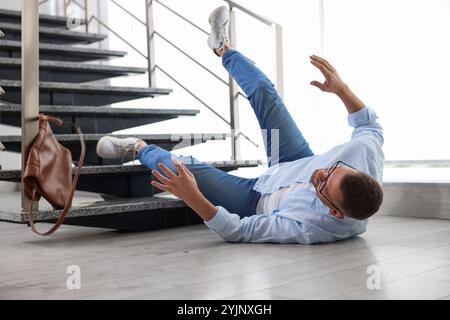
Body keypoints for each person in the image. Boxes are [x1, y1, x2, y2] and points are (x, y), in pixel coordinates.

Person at [96, 6, 384, 244]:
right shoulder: (362, 154)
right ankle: (222, 47)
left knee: (179, 168)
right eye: (333, 168)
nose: (320, 173)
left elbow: (239, 230)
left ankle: (137, 148)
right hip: (294, 160)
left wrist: (193, 197)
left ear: (334, 212)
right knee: (263, 92)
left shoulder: (312, 228)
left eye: (322, 184)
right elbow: (370, 127)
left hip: (254, 198)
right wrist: (341, 89)